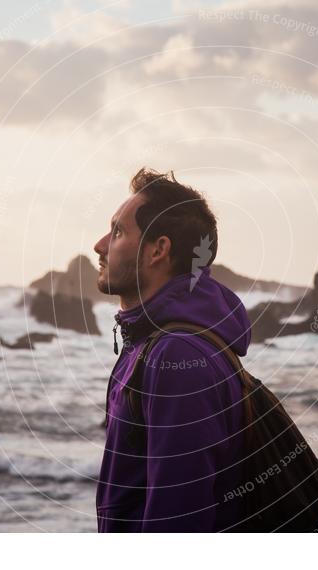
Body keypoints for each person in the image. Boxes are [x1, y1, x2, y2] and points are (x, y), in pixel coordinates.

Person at [93, 167, 251, 532]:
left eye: (118, 231)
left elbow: (178, 521)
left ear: (158, 250)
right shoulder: (149, 344)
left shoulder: (177, 357)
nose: (100, 245)